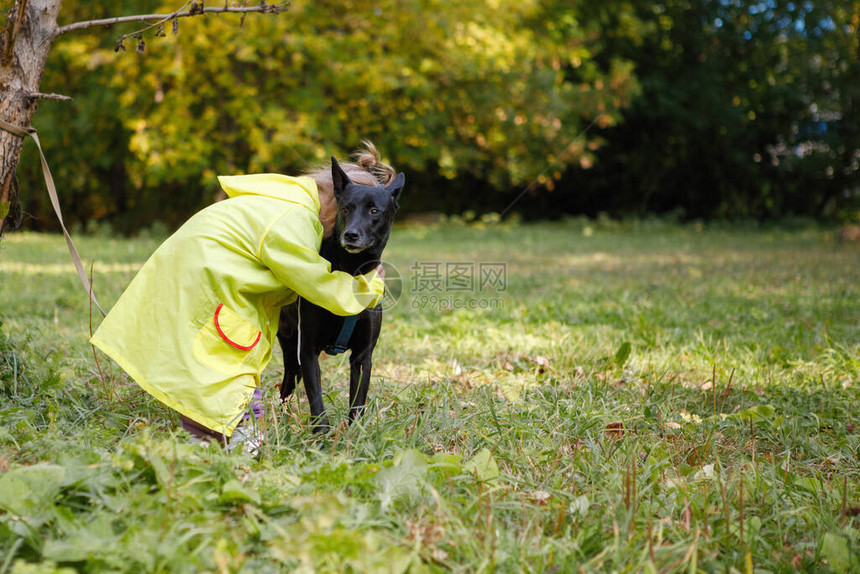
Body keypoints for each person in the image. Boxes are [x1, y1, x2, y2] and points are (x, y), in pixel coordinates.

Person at [91, 142, 395, 451]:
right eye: (345, 213)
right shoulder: (294, 220)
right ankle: (224, 439)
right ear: (334, 198)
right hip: (207, 281)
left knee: (210, 362)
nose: (346, 226)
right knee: (225, 363)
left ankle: (216, 431)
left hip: (195, 272)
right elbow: (316, 283)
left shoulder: (282, 200)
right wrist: (368, 288)